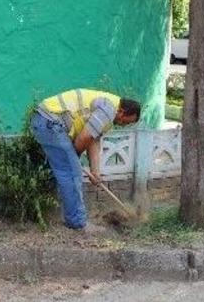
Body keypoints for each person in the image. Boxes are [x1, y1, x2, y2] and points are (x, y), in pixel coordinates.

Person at [30, 89, 141, 231]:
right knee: (72, 173)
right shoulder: (108, 110)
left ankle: (52, 213)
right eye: (126, 122)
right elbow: (84, 138)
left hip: (46, 120)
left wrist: (96, 172)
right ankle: (77, 223)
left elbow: (93, 140)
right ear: (121, 112)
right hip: (51, 122)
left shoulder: (109, 112)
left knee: (65, 171)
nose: (123, 125)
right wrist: (74, 159)